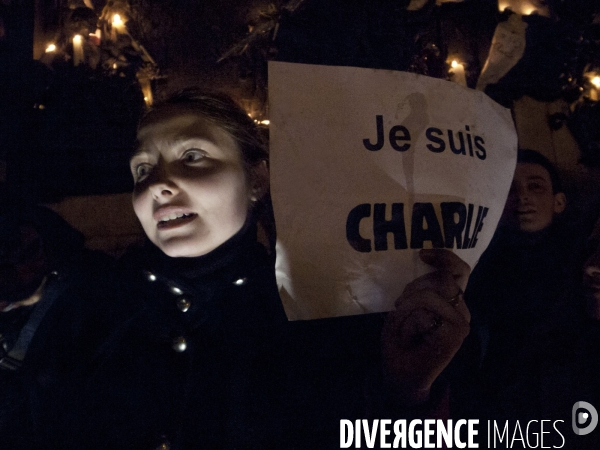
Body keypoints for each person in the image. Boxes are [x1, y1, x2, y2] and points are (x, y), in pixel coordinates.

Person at [17, 89, 471, 449]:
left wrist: (408, 392)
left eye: (192, 156)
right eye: (142, 169)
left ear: (257, 179)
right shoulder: (83, 308)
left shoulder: (323, 314)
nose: (157, 184)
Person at [462, 149, 575, 410]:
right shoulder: (474, 267)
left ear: (559, 202)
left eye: (535, 187)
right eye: (508, 189)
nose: (522, 197)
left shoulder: (581, 265)